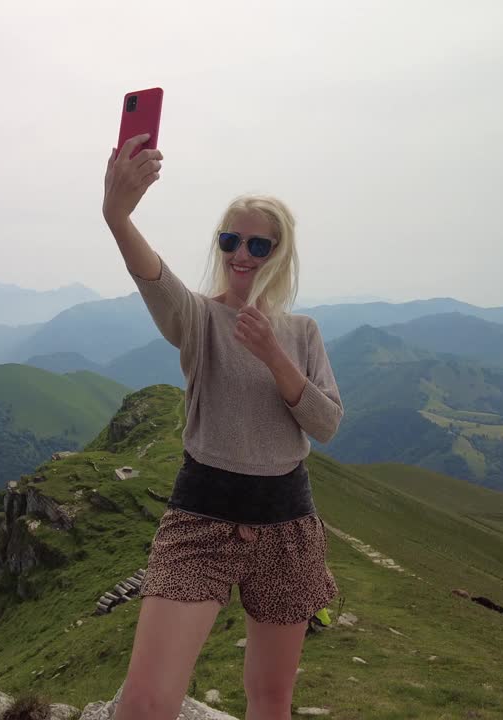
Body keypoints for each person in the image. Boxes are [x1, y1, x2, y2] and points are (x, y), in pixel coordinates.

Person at [102, 133, 345, 720]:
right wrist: (116, 215)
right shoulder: (201, 319)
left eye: (258, 244)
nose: (242, 254)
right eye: (231, 240)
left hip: (287, 524)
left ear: (279, 252)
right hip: (202, 518)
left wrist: (273, 355)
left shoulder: (302, 333)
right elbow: (156, 282)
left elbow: (327, 424)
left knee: (270, 701)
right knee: (142, 704)